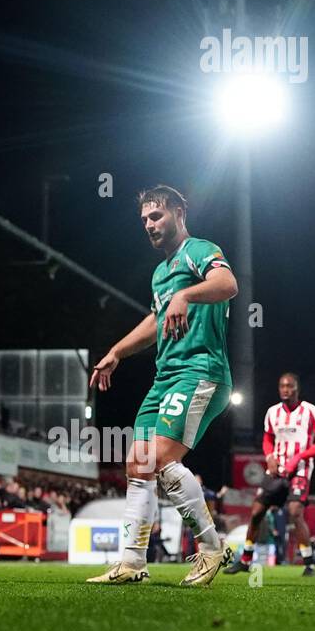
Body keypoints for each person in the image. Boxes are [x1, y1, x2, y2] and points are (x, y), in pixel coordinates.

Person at [86, 184, 237, 587]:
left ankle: (211, 548)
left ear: (178, 212)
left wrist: (186, 295)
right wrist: (117, 351)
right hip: (165, 378)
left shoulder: (200, 250)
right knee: (138, 464)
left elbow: (228, 285)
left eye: (157, 216)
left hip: (200, 372)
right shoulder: (160, 272)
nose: (150, 225)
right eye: (145, 220)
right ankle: (132, 562)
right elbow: (156, 322)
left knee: (161, 458)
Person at [225, 373, 315, 577]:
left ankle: (309, 564)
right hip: (276, 470)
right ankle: (246, 560)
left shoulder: (310, 411)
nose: (285, 389)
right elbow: (267, 439)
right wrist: (270, 457)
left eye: (289, 386)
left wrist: (299, 455)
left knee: (295, 511)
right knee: (256, 512)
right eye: (282, 386)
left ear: (296, 388)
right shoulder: (272, 412)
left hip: (300, 469)